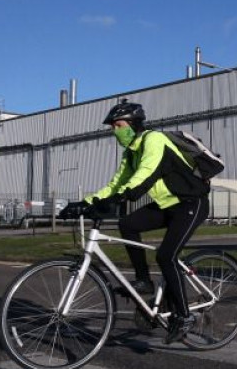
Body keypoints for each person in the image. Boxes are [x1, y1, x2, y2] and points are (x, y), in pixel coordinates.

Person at [63, 99, 210, 344]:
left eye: (118, 125)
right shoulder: (130, 152)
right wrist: (85, 203)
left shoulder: (154, 140)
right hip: (167, 205)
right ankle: (144, 281)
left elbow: (146, 174)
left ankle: (184, 316)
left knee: (166, 256)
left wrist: (122, 198)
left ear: (132, 124)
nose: (114, 130)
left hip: (190, 203)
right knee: (128, 224)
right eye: (112, 127)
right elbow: (116, 184)